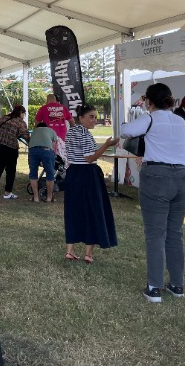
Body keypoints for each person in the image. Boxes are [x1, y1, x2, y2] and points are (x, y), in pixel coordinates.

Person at [121, 83, 185, 303]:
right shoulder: (180, 120)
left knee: (155, 234)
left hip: (157, 176)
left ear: (148, 101)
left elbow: (125, 131)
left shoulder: (149, 118)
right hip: (183, 177)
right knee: (175, 233)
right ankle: (177, 285)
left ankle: (154, 287)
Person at [63, 104, 118, 265]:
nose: (94, 120)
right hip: (88, 174)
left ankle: (70, 250)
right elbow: (90, 158)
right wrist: (107, 145)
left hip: (73, 173)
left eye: (95, 117)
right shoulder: (85, 134)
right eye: (91, 117)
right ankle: (88, 253)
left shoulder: (71, 131)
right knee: (93, 211)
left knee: (73, 211)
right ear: (81, 118)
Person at [0, 105, 29, 199]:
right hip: (10, 148)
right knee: (11, 170)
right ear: (21, 113)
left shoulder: (4, 118)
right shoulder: (20, 123)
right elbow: (26, 136)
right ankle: (7, 193)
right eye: (24, 114)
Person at [28, 121, 58, 203]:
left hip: (33, 150)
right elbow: (55, 142)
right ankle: (49, 197)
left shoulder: (34, 131)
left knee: (33, 173)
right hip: (46, 150)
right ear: (46, 126)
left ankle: (36, 197)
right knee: (50, 173)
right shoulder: (50, 130)